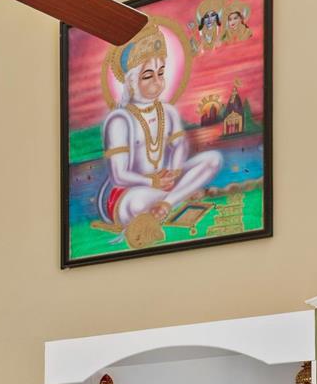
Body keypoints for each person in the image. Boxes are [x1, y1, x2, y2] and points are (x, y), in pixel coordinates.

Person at [95, 27, 225, 244]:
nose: (157, 81)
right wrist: (152, 181)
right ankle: (178, 197)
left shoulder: (167, 111)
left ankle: (166, 203)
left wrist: (174, 171)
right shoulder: (119, 119)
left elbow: (180, 146)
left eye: (161, 73)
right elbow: (118, 175)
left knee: (213, 159)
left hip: (166, 182)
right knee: (137, 204)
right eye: (148, 76)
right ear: (132, 81)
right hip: (130, 191)